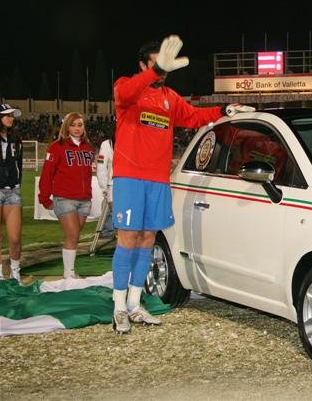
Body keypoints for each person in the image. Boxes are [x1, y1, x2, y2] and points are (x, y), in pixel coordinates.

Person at [110, 35, 244, 333]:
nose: (164, 69)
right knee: (127, 239)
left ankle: (134, 304)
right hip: (130, 178)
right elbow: (125, 93)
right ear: (144, 64)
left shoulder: (169, 96)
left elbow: (194, 116)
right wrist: (155, 70)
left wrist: (224, 111)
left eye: (165, 65)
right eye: (158, 63)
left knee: (147, 240)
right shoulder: (127, 88)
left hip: (158, 180)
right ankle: (118, 306)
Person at [38, 112, 94, 280]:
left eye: (80, 125)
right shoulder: (57, 147)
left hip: (84, 200)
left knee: (75, 237)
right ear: (67, 127)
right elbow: (47, 174)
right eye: (73, 125)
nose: (77, 128)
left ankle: (71, 271)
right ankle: (68, 274)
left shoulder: (88, 147)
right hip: (65, 199)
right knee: (73, 236)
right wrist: (44, 198)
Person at [0, 104, 23, 283]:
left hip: (13, 191)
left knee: (15, 238)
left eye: (11, 116)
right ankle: (0, 274)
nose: (10, 118)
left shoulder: (16, 138)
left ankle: (16, 273)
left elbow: (19, 164)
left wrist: (18, 182)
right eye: (6, 115)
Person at [96, 133, 114, 238]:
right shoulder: (107, 144)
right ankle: (108, 232)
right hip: (113, 185)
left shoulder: (131, 142)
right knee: (113, 212)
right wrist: (104, 187)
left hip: (130, 186)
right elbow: (101, 167)